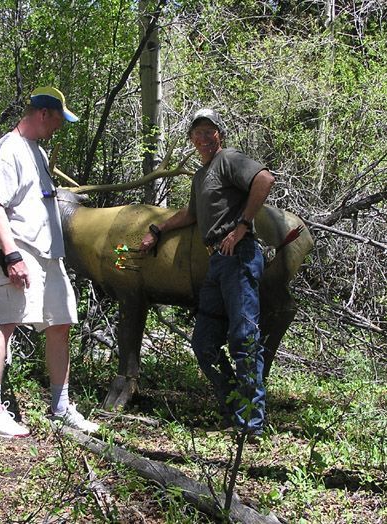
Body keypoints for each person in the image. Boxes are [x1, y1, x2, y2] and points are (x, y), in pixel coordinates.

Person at [139, 108, 274, 441]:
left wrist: (242, 226)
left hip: (239, 256)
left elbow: (265, 179)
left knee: (243, 337)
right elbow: (190, 215)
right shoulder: (201, 177)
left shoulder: (228, 159)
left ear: (219, 135)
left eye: (208, 131)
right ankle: (235, 410)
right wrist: (157, 229)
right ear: (191, 139)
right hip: (216, 262)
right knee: (204, 344)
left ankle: (251, 424)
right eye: (196, 132)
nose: (202, 137)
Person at [0, 86, 99, 438]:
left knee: (61, 323)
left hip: (49, 254)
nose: (59, 126)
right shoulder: (6, 150)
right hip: (20, 250)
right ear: (43, 113)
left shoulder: (38, 153)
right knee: (5, 322)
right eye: (59, 119)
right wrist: (11, 254)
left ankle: (60, 408)